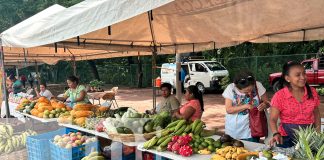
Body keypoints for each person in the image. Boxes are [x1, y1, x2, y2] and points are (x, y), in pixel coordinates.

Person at [269, 62, 321, 148]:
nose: (303, 77)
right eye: (298, 75)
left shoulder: (312, 92)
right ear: (288, 78)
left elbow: (316, 113)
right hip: (286, 139)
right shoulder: (279, 96)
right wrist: (275, 133)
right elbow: (273, 119)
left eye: (304, 73)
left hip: (309, 138)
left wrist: (318, 133)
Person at [222, 70, 269, 142]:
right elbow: (229, 110)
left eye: (251, 90)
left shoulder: (258, 85)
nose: (250, 93)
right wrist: (245, 106)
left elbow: (267, 102)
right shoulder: (231, 88)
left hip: (253, 130)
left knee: (252, 150)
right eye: (246, 92)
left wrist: (265, 105)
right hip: (234, 130)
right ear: (237, 87)